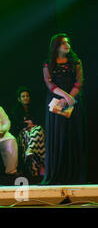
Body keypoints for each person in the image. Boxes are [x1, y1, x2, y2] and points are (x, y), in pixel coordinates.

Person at [41, 33, 86, 185]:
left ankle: (75, 175)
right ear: (56, 46)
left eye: (67, 42)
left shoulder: (76, 62)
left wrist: (69, 98)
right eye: (63, 43)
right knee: (58, 136)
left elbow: (79, 82)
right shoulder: (49, 63)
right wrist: (65, 97)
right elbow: (50, 84)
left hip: (73, 100)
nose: (67, 45)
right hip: (57, 101)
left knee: (73, 135)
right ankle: (57, 174)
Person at [9, 87, 45, 177]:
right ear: (19, 99)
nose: (25, 98)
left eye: (27, 96)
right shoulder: (15, 110)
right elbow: (16, 124)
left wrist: (29, 123)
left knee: (38, 130)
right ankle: (39, 166)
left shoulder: (34, 107)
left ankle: (31, 153)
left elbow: (39, 120)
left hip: (35, 130)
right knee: (35, 134)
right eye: (23, 96)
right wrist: (28, 124)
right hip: (23, 133)